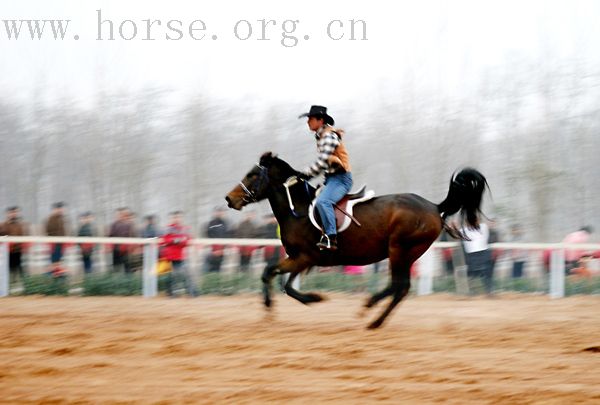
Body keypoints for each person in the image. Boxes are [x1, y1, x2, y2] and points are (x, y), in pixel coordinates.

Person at [297, 105, 353, 251]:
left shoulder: (328, 136)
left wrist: (306, 173)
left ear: (320, 120)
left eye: (310, 119)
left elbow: (323, 161)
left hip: (340, 180)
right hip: (331, 179)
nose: (308, 122)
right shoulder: (322, 136)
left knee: (323, 201)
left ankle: (331, 238)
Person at [161, 211, 197, 297]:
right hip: (170, 256)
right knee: (171, 276)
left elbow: (188, 240)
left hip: (181, 256)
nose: (177, 219)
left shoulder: (185, 228)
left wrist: (176, 240)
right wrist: (175, 240)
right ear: (172, 218)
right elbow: (164, 240)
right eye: (175, 217)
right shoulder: (168, 228)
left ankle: (191, 292)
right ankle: (171, 293)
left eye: (179, 217)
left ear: (181, 218)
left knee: (186, 274)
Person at [461, 220, 494, 295]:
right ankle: (471, 291)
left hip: (483, 252)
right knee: (472, 273)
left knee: (486, 272)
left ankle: (489, 291)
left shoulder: (483, 227)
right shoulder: (464, 230)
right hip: (471, 254)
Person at [0, 206, 29, 283]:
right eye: (11, 213)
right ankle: (8, 283)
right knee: (8, 268)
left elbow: (23, 235)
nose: (13, 214)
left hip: (18, 250)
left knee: (19, 267)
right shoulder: (3, 225)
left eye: (15, 212)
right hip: (8, 251)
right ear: (7, 214)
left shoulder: (20, 225)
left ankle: (24, 283)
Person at [109, 207, 136, 273]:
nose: (119, 216)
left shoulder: (129, 224)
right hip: (116, 249)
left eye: (121, 214)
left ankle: (128, 280)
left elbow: (133, 236)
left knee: (127, 266)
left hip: (126, 249)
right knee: (116, 266)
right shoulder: (114, 224)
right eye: (118, 214)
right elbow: (110, 235)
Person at [204, 206, 230, 273]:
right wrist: (214, 249)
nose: (220, 213)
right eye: (218, 211)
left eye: (221, 212)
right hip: (213, 250)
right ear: (215, 213)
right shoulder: (211, 223)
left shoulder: (226, 223)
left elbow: (227, 235)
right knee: (210, 268)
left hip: (222, 251)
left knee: (219, 268)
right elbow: (208, 234)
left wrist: (223, 248)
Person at [45, 202, 68, 274]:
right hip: (55, 244)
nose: (60, 210)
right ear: (54, 209)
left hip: (61, 244)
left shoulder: (62, 219)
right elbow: (48, 230)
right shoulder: (51, 219)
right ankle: (50, 276)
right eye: (58, 209)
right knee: (54, 263)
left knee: (59, 262)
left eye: (61, 208)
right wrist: (54, 239)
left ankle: (58, 277)